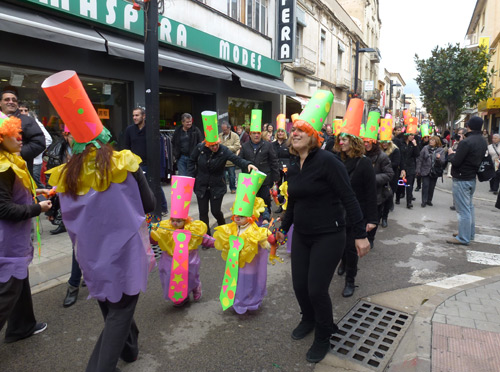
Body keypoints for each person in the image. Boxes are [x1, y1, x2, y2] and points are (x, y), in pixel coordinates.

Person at [43, 70, 156, 371]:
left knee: (110, 302)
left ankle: (129, 349)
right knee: (121, 308)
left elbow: (64, 217)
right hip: (125, 251)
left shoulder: (66, 175)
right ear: (104, 136)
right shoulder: (124, 162)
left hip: (91, 253)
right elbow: (150, 204)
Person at [276, 93, 370, 364]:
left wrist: (361, 234)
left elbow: (349, 197)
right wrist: (283, 228)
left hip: (330, 234)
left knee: (317, 289)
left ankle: (324, 334)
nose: (296, 134)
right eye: (294, 130)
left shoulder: (329, 162)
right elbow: (293, 201)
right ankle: (309, 318)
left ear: (315, 136)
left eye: (302, 131)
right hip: (302, 235)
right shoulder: (294, 166)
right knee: (299, 286)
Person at [0, 113, 52, 343]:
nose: (21, 139)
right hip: (7, 241)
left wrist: (34, 194)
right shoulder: (3, 167)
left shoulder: (9, 160)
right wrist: (37, 208)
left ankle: (22, 326)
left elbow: (14, 196)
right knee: (7, 291)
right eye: (14, 135)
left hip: (14, 238)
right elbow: (4, 209)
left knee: (18, 281)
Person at [187, 111, 257, 235]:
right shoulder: (200, 148)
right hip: (201, 185)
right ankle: (206, 237)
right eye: (212, 145)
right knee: (203, 213)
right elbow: (191, 160)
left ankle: (223, 230)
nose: (215, 147)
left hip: (217, 186)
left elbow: (236, 159)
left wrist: (247, 164)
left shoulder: (223, 151)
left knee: (215, 211)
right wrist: (192, 176)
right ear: (207, 144)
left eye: (217, 144)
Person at [150, 176, 213, 307]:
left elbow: (204, 239)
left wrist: (219, 242)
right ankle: (180, 297)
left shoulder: (192, 229)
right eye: (173, 220)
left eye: (179, 221)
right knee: (169, 277)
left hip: (189, 260)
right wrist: (150, 233)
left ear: (185, 220)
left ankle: (195, 286)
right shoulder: (165, 228)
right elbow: (155, 240)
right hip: (169, 259)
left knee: (190, 277)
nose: (175, 223)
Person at [214, 173, 270, 314]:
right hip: (234, 263)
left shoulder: (253, 229)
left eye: (242, 216)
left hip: (249, 263)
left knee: (248, 281)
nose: (238, 218)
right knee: (236, 281)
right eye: (236, 216)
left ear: (250, 217)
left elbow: (262, 237)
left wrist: (266, 242)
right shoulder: (232, 227)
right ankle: (237, 301)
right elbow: (223, 237)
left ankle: (250, 301)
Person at [334, 131, 378, 298]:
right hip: (338, 211)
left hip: (356, 212)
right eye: (340, 139)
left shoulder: (364, 163)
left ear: (353, 141)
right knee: (341, 244)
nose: (341, 142)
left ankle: (350, 280)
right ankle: (343, 262)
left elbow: (371, 193)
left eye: (344, 139)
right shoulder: (337, 159)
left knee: (352, 248)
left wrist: (372, 219)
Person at [446, 117, 488, 245]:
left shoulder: (466, 142)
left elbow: (456, 161)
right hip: (471, 177)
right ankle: (468, 233)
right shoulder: (482, 140)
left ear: (469, 126)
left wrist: (451, 153)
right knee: (469, 207)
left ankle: (463, 237)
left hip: (461, 178)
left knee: (463, 210)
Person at [124, 107, 168, 216]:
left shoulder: (151, 129)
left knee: (155, 185)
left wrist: (160, 165)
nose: (134, 117)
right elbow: (126, 147)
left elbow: (159, 148)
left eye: (137, 115)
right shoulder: (129, 130)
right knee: (137, 187)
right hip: (135, 165)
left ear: (143, 116)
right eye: (133, 115)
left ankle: (162, 207)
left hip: (150, 163)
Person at [362, 112, 394, 249]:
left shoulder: (382, 157)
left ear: (374, 142)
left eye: (368, 142)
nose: (366, 144)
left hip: (377, 193)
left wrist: (372, 179)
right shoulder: (360, 155)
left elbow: (389, 174)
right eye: (363, 142)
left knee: (373, 218)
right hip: (362, 193)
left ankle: (371, 238)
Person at [239, 110, 280, 216]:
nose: (256, 135)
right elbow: (240, 161)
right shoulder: (245, 146)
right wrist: (246, 166)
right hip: (249, 180)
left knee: (265, 201)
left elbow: (274, 161)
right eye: (254, 133)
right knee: (250, 202)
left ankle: (266, 221)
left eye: (258, 133)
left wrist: (276, 177)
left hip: (265, 179)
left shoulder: (268, 145)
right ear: (250, 134)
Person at [0, 90, 46, 176]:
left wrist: (21, 152)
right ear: (0, 103)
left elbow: (39, 143)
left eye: (14, 100)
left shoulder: (27, 121)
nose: (11, 102)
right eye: (7, 99)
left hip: (19, 171)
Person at [18, 103, 52, 188]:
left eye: (25, 110)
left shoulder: (33, 122)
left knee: (34, 184)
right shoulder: (14, 121)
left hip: (34, 161)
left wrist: (35, 152)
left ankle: (45, 196)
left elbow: (47, 140)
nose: (23, 112)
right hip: (21, 161)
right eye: (21, 110)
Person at [416, 136, 446, 208]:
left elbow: (443, 162)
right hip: (425, 170)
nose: (431, 141)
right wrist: (418, 170)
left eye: (433, 140)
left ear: (437, 142)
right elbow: (420, 159)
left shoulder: (441, 150)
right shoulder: (425, 148)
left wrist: (438, 159)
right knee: (425, 186)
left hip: (434, 171)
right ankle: (424, 201)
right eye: (430, 140)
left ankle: (429, 200)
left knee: (431, 187)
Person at [398, 119, 420, 209]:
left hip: (411, 167)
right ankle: (397, 197)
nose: (412, 137)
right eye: (411, 135)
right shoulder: (400, 142)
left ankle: (409, 202)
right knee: (400, 184)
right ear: (407, 135)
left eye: (413, 135)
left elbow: (417, 154)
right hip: (401, 166)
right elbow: (399, 154)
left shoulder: (413, 143)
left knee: (409, 185)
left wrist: (415, 145)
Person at [380, 138, 401, 228]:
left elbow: (396, 163)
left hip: (391, 177)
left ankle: (384, 218)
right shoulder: (377, 150)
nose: (384, 144)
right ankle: (378, 216)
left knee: (388, 197)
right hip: (379, 176)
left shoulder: (395, 150)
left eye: (386, 142)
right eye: (382, 142)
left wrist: (383, 164)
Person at [272, 116, 290, 213]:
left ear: (285, 133)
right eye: (278, 131)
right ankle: (280, 205)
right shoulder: (272, 144)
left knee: (286, 187)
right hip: (276, 168)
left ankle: (287, 205)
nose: (280, 133)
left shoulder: (288, 143)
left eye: (282, 131)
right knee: (277, 188)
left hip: (287, 168)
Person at [219, 121, 241, 194]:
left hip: (231, 160)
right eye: (223, 130)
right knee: (223, 176)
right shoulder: (220, 135)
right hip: (222, 160)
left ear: (229, 128)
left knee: (232, 176)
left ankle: (233, 188)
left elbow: (237, 146)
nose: (224, 131)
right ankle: (223, 188)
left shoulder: (235, 136)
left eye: (225, 130)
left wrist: (226, 148)